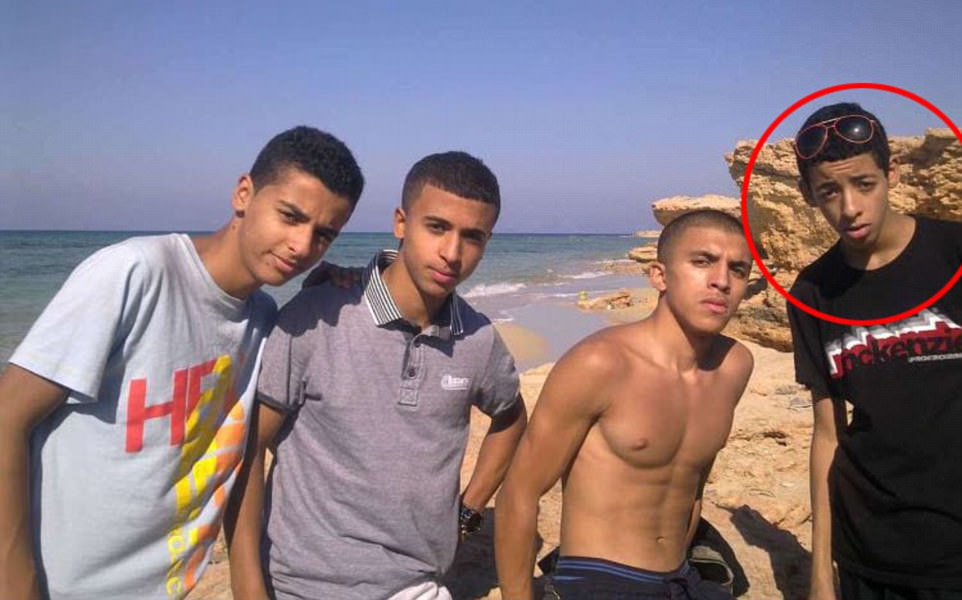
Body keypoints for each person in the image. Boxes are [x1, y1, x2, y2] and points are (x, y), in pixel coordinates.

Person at [0, 126, 365, 600]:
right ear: (244, 193)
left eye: (324, 234)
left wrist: (342, 289)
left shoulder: (263, 321)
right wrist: (17, 585)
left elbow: (241, 461)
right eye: (290, 216)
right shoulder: (134, 274)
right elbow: (8, 417)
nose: (302, 245)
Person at [226, 151, 527, 600]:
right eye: (437, 227)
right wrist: (248, 587)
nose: (452, 253)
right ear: (401, 223)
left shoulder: (477, 340)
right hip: (301, 586)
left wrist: (469, 509)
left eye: (473, 237)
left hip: (418, 585)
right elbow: (247, 451)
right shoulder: (318, 316)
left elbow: (511, 416)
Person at [495, 209, 754, 600]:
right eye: (702, 261)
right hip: (598, 580)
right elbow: (519, 492)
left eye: (738, 269)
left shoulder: (733, 366)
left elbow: (693, 481)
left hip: (680, 576)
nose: (722, 280)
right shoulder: (600, 364)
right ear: (659, 276)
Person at [787, 102, 962, 600]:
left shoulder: (952, 254)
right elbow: (827, 435)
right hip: (869, 553)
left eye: (864, 184)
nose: (849, 208)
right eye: (829, 191)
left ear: (892, 173)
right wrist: (821, 577)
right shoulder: (813, 292)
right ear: (808, 194)